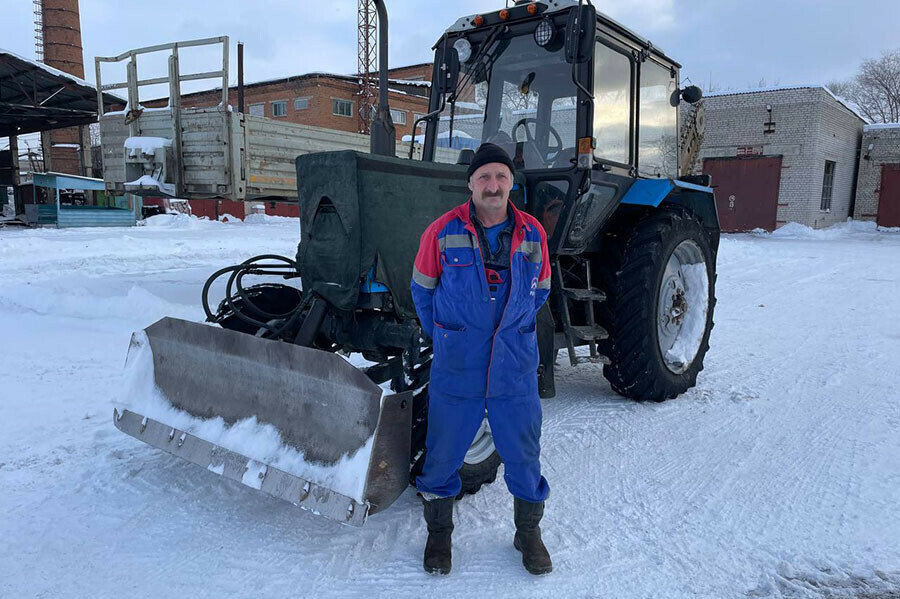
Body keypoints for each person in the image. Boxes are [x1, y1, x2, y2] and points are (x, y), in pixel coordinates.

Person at [410, 142, 552, 576]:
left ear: (511, 182)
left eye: (501, 177)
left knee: (524, 454)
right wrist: (448, 336)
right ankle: (439, 536)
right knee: (443, 453)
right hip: (458, 365)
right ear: (470, 183)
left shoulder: (533, 234)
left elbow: (541, 291)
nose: (493, 185)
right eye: (485, 177)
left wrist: (514, 329)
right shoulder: (441, 231)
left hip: (514, 366)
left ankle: (528, 533)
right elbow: (422, 289)